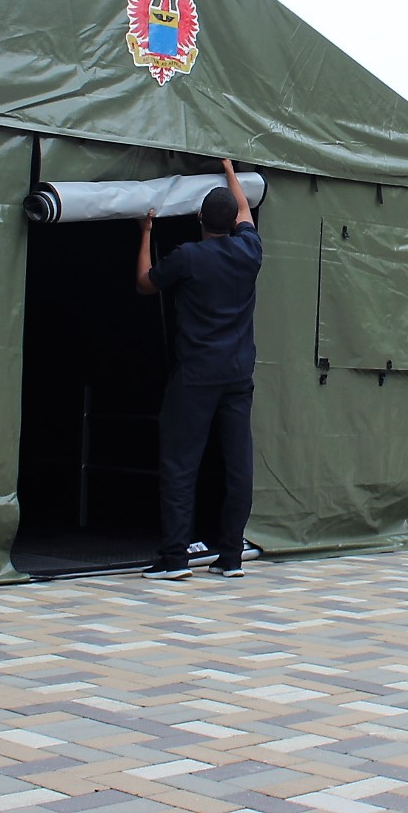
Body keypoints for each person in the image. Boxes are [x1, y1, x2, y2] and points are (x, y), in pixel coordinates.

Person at [134, 158, 261, 580]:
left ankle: (174, 559)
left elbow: (145, 283)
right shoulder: (249, 251)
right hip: (238, 375)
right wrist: (228, 166)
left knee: (180, 464)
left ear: (199, 218)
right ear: (235, 222)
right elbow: (244, 210)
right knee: (239, 467)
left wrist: (146, 233)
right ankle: (230, 558)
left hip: (196, 376)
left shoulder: (189, 257)